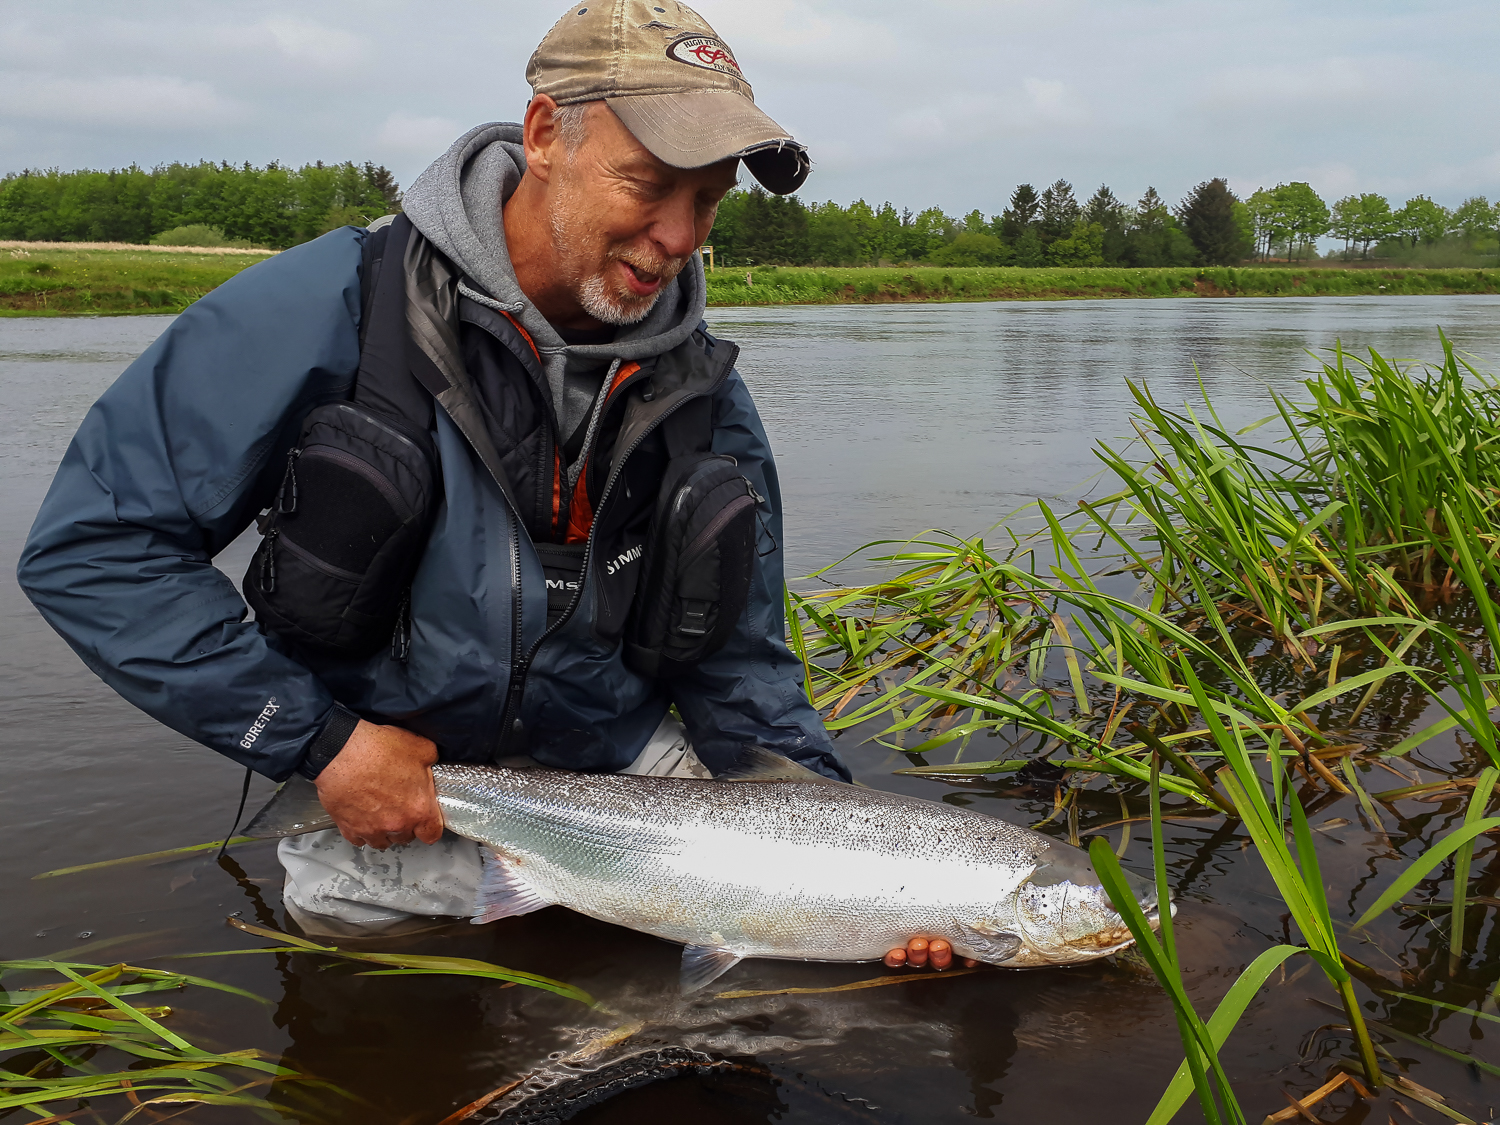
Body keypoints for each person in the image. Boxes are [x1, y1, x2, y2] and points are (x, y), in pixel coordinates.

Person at [18, 0, 955, 971]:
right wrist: (321, 744)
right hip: (391, 781)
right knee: (364, 960)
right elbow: (93, 550)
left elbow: (743, 669)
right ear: (546, 134)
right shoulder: (320, 310)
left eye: (709, 199)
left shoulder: (706, 394)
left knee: (784, 985)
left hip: (614, 776)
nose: (680, 236)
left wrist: (858, 865)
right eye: (649, 184)